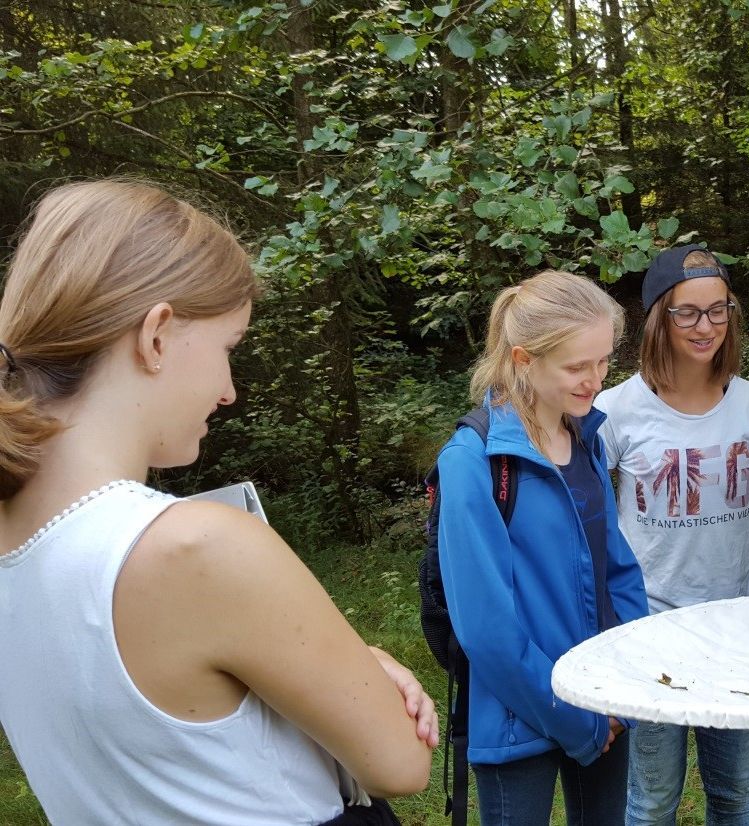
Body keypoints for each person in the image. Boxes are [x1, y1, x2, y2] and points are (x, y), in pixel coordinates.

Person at [0, 179, 436, 825]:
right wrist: (361, 670)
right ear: (155, 336)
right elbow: (401, 764)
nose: (229, 391)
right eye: (229, 348)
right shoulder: (193, 546)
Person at [434, 270, 650, 826]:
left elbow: (617, 568)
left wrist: (622, 688)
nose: (596, 380)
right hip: (519, 717)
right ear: (524, 360)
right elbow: (486, 628)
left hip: (605, 701)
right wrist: (576, 718)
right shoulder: (473, 461)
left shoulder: (585, 437)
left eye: (604, 361)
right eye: (577, 366)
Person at [598, 244, 749, 826]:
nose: (704, 326)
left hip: (735, 625)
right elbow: (592, 523)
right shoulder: (614, 411)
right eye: (687, 312)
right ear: (659, 316)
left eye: (718, 310)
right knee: (653, 800)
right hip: (650, 623)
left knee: (734, 796)